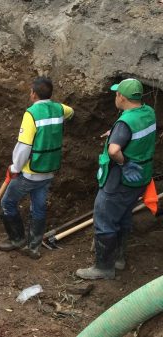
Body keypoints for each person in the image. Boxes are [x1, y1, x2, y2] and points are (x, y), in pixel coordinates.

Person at [76, 78, 156, 280]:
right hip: (140, 177)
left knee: (104, 219)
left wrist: (123, 162)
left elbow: (113, 151)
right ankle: (118, 259)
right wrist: (116, 133)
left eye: (116, 94)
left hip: (120, 180)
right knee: (123, 216)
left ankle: (104, 267)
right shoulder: (148, 112)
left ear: (121, 97)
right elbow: (137, 131)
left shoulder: (125, 122)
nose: (115, 97)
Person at [0, 77, 74, 259]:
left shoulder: (31, 114)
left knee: (7, 203)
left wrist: (15, 167)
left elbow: (24, 147)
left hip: (30, 173)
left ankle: (17, 239)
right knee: (38, 208)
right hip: (49, 170)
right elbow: (71, 112)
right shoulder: (59, 109)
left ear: (33, 94)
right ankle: (34, 247)